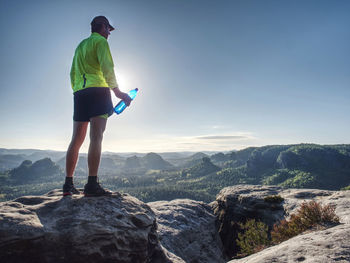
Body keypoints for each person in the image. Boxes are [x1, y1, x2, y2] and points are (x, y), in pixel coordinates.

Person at [63, 16, 132, 197]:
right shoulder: (100, 42)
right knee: (96, 136)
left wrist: (78, 90)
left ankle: (68, 184)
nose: (109, 33)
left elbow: (72, 72)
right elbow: (107, 67)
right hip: (98, 92)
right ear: (102, 27)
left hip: (80, 93)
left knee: (76, 138)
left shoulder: (80, 46)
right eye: (108, 29)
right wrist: (118, 92)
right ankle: (92, 184)